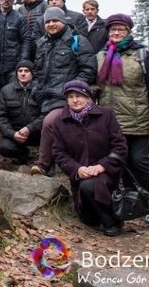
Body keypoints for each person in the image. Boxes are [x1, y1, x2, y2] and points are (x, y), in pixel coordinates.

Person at [95, 13, 149, 228]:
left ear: (129, 31)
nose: (116, 33)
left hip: (137, 121)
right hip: (111, 122)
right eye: (112, 29)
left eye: (121, 29)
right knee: (118, 164)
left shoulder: (142, 55)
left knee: (139, 162)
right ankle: (128, 205)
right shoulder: (101, 55)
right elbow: (93, 82)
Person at [52, 80, 127, 236]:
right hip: (80, 176)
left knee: (92, 185)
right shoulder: (60, 122)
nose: (75, 100)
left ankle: (111, 221)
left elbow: (120, 147)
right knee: (88, 213)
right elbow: (59, 153)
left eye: (79, 95)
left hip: (107, 174)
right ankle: (95, 215)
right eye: (71, 96)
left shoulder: (106, 115)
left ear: (88, 98)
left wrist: (102, 166)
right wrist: (77, 169)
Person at [30, 6, 97, 176]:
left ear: (63, 21)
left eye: (55, 21)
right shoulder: (42, 43)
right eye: (48, 21)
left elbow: (88, 70)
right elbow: (37, 71)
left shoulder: (78, 41)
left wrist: (73, 92)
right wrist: (36, 90)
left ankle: (43, 164)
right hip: (44, 97)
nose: (51, 24)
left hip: (66, 98)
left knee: (50, 122)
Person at [0, 0, 32, 103]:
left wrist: (22, 61)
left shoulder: (19, 18)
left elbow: (26, 40)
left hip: (12, 66)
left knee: (12, 99)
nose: (6, 0)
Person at [0, 60, 41, 164]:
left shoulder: (40, 90)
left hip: (37, 132)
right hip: (16, 133)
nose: (23, 73)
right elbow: (1, 117)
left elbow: (45, 114)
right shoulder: (6, 91)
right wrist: (13, 134)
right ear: (16, 73)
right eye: (20, 71)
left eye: (26, 71)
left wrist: (30, 128)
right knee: (4, 147)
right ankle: (24, 155)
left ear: (32, 73)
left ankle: (45, 160)